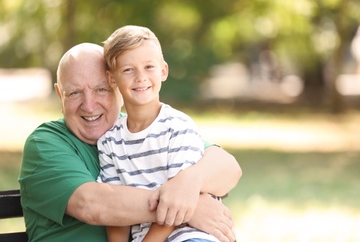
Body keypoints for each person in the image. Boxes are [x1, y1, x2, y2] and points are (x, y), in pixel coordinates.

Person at [18, 42, 241, 242]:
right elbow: (92, 205)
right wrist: (185, 208)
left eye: (101, 89)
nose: (89, 105)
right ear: (59, 94)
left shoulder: (139, 128)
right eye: (75, 93)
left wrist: (189, 184)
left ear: (117, 86)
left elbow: (227, 167)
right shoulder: (46, 143)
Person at [97, 25, 227, 242]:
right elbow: (116, 213)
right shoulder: (109, 143)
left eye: (149, 67)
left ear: (163, 71)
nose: (140, 77)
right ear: (112, 79)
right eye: (128, 70)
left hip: (191, 235)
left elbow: (177, 205)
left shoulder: (178, 127)